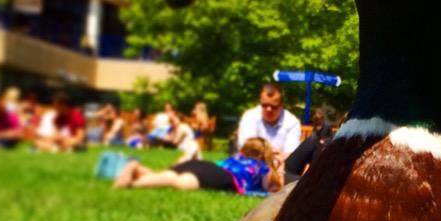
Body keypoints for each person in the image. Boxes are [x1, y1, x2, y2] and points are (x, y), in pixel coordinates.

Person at [113, 137, 281, 194]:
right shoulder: (262, 166)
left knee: (169, 176)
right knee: (180, 182)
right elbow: (268, 188)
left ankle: (138, 169)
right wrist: (275, 178)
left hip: (203, 164)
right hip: (220, 176)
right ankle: (131, 183)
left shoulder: (235, 158)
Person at [237, 85, 302, 161]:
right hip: (251, 164)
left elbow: (291, 154)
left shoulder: (292, 122)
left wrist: (264, 153)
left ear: (282, 105)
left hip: (279, 167)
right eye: (264, 105)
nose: (268, 109)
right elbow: (247, 148)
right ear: (260, 102)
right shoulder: (249, 116)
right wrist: (273, 154)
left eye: (274, 106)